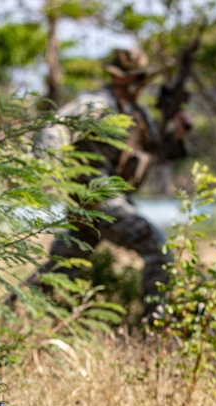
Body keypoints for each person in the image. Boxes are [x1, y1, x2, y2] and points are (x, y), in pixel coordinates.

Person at [28, 47, 192, 317]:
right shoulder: (97, 104)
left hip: (106, 201)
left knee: (64, 264)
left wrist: (177, 133)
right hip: (96, 199)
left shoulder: (139, 114)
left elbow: (153, 152)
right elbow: (56, 126)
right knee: (157, 246)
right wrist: (45, 165)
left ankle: (12, 311)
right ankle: (156, 324)